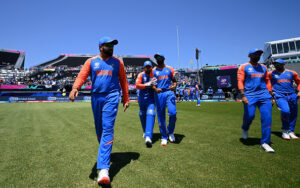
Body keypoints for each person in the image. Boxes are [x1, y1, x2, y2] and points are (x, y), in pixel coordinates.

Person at [69, 36, 129, 184]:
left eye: (113, 45)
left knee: (108, 129)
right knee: (100, 131)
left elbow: (123, 81)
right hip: (96, 98)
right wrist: (75, 88)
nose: (111, 47)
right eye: (108, 45)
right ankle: (105, 153)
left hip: (112, 96)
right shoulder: (91, 62)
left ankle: (103, 171)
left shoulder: (118, 63)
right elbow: (82, 76)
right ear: (100, 47)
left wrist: (126, 98)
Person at [237, 49, 274, 153]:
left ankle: (265, 143)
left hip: (264, 95)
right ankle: (245, 127)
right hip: (249, 95)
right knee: (250, 115)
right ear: (249, 55)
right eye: (255, 54)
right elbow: (240, 81)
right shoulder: (244, 67)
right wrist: (243, 95)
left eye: (259, 54)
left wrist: (271, 96)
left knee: (267, 118)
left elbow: (267, 81)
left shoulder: (263, 67)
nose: (258, 56)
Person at [268, 59, 300, 140]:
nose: (276, 65)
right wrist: (270, 94)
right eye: (275, 64)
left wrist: (299, 91)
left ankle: (291, 131)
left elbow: (299, 82)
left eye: (278, 64)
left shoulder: (292, 73)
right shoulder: (271, 74)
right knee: (285, 111)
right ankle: (285, 131)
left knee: (293, 114)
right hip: (279, 95)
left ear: (283, 64)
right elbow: (265, 82)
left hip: (292, 95)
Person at [153, 53, 177, 146]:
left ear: (163, 58)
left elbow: (174, 81)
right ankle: (164, 137)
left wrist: (174, 86)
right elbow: (152, 84)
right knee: (160, 116)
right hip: (159, 94)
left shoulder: (169, 69)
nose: (157, 59)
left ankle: (170, 132)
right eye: (156, 58)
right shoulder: (154, 71)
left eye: (159, 57)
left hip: (169, 93)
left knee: (173, 113)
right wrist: (155, 89)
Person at [135, 61, 156, 147]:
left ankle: (148, 137)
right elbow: (137, 85)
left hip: (151, 99)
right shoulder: (141, 75)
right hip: (142, 99)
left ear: (151, 67)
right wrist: (147, 85)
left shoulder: (154, 75)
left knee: (151, 113)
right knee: (142, 114)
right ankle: (145, 131)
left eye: (149, 67)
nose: (148, 68)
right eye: (146, 67)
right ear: (144, 68)